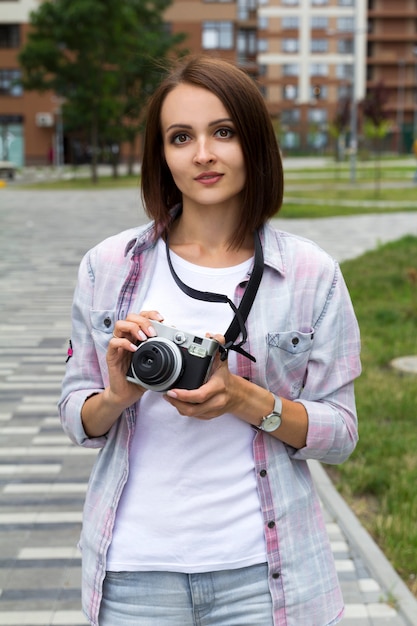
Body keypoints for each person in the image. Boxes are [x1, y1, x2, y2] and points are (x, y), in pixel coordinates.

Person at [59, 56, 361, 626]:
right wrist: (119, 395)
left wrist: (241, 398)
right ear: (162, 155)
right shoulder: (107, 267)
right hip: (133, 574)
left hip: (266, 577)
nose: (202, 154)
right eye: (180, 137)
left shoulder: (310, 275)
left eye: (223, 132)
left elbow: (340, 434)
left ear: (254, 143)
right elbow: (77, 414)